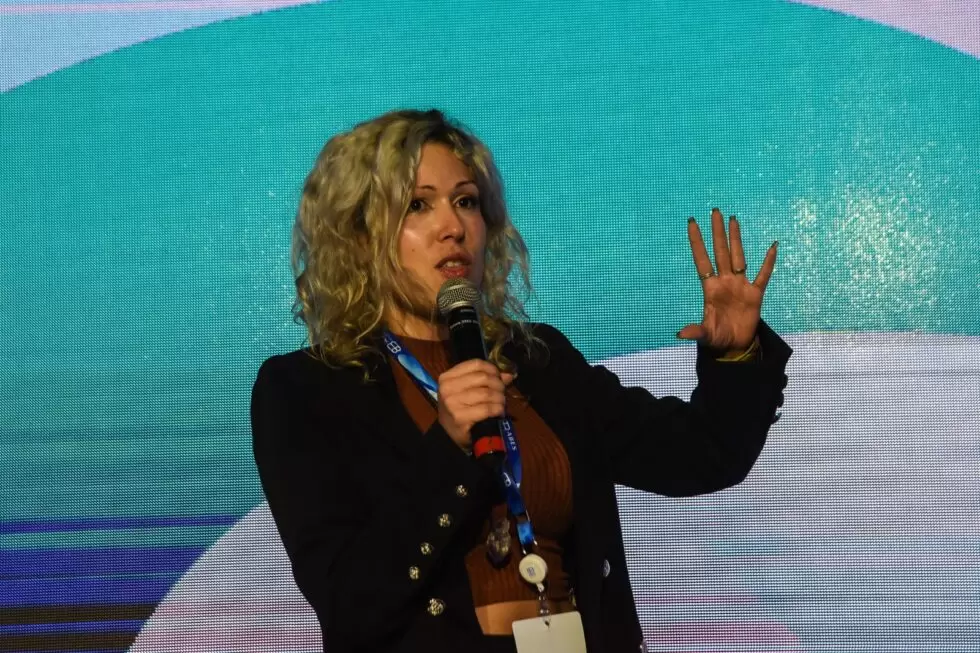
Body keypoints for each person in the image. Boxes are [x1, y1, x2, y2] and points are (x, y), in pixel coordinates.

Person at [250, 109, 792, 653]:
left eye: (466, 201)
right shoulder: (305, 391)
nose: (453, 227)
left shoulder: (536, 360)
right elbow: (348, 600)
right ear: (360, 235)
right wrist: (448, 448)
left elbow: (701, 454)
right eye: (418, 205)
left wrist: (736, 355)